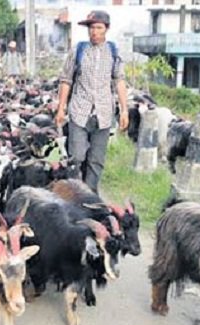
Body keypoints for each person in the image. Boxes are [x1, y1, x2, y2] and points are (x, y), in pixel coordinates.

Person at [55, 10, 129, 193]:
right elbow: (66, 80)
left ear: (106, 29)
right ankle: (73, 193)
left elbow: (119, 80)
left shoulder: (113, 52)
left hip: (103, 113)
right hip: (79, 110)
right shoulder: (79, 50)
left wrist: (124, 109)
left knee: (96, 160)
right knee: (77, 156)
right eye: (91, 28)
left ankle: (90, 197)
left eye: (98, 27)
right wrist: (60, 108)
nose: (94, 32)